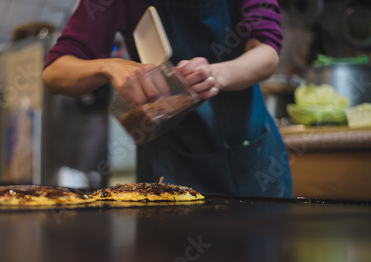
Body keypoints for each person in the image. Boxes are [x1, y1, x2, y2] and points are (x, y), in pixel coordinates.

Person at [43, 0, 293, 198]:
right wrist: (108, 67)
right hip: (167, 162)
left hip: (247, 152)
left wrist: (214, 75)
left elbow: (266, 52)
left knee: (258, 257)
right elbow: (54, 72)